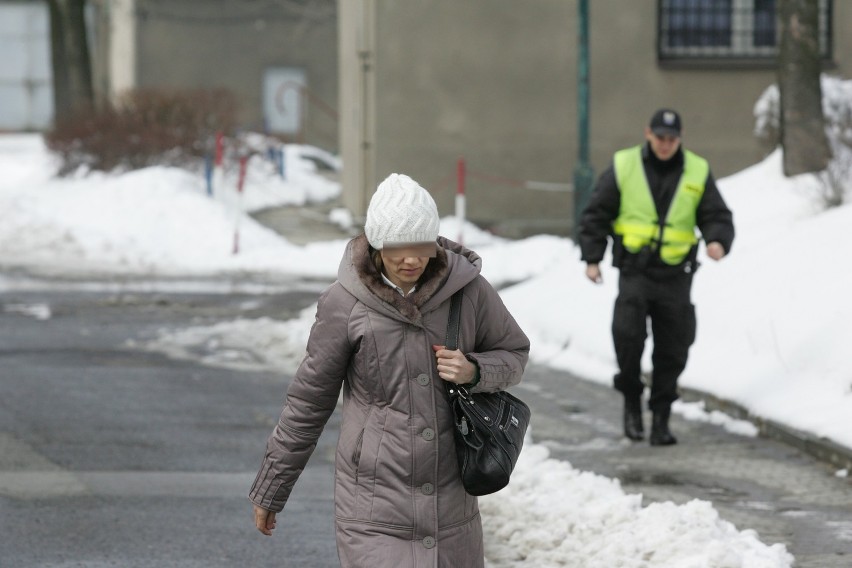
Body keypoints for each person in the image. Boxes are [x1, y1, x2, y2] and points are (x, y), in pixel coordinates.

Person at [249, 173, 530, 567]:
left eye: (421, 245)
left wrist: (475, 370)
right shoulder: (345, 303)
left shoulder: (469, 292)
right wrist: (272, 488)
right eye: (399, 247)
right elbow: (308, 402)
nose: (411, 259)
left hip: (451, 504)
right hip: (373, 505)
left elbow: (514, 353)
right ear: (378, 243)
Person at [578, 108, 734, 446]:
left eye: (672, 139)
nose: (666, 144)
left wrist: (718, 240)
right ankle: (632, 405)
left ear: (679, 139)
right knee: (628, 337)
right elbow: (596, 212)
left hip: (676, 274)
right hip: (635, 270)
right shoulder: (625, 165)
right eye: (660, 138)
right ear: (648, 134)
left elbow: (715, 213)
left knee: (673, 347)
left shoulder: (697, 169)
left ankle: (661, 417)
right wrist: (592, 258)